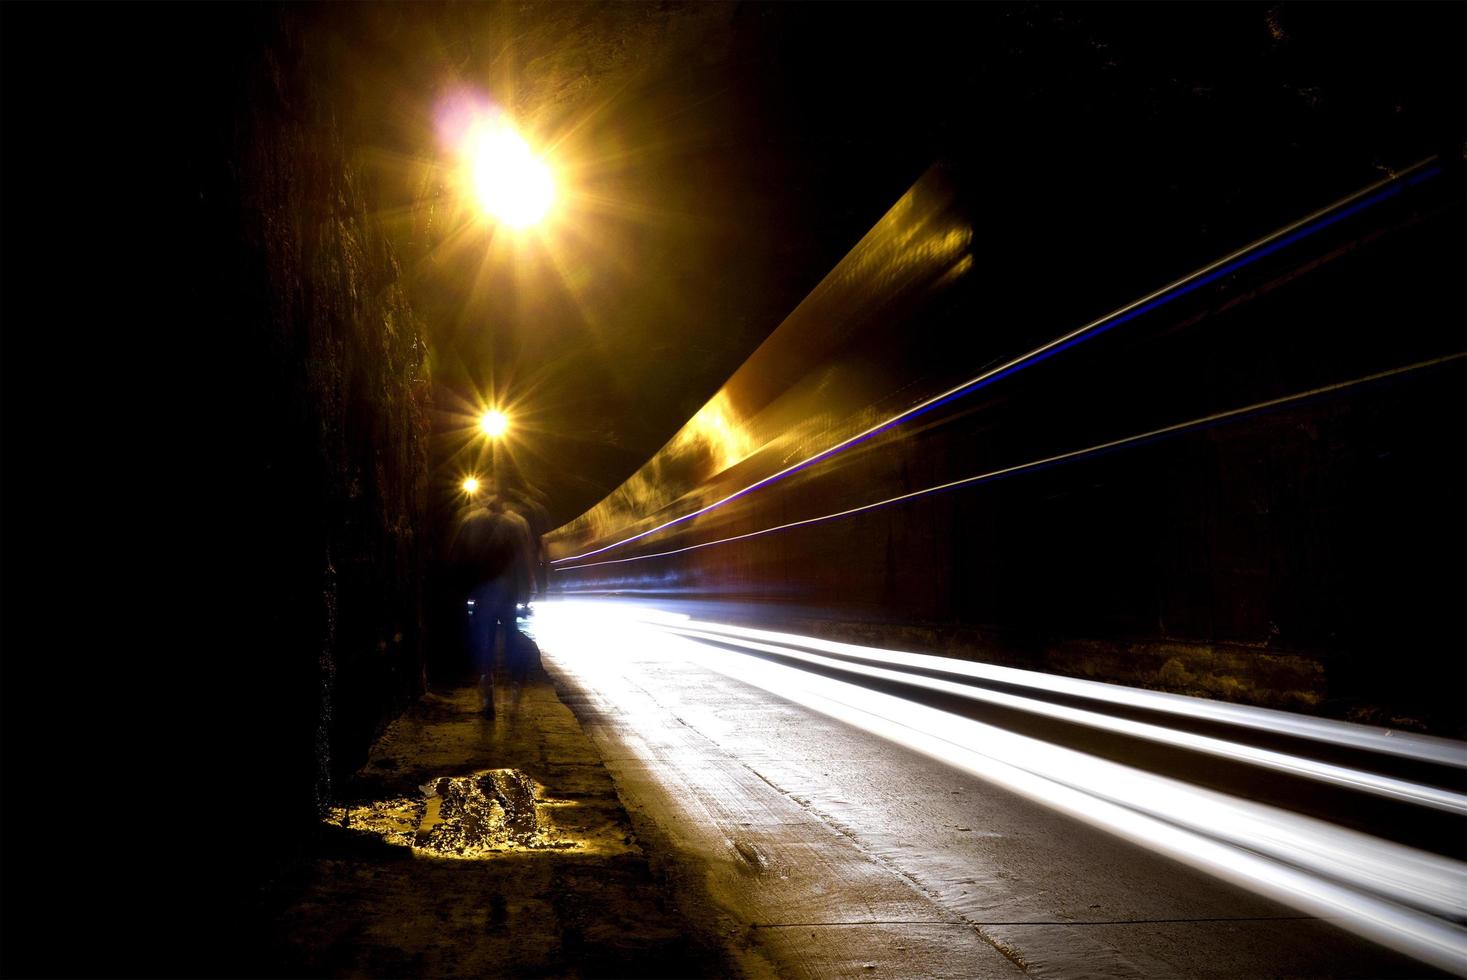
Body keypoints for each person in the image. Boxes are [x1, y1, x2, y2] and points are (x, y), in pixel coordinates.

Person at [448, 495, 536, 716]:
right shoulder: (517, 523)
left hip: (483, 590)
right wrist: (528, 588)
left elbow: (457, 555)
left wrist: (459, 587)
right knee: (510, 636)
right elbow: (525, 558)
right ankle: (514, 685)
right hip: (509, 592)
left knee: (483, 639)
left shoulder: (471, 520)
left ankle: (487, 691)